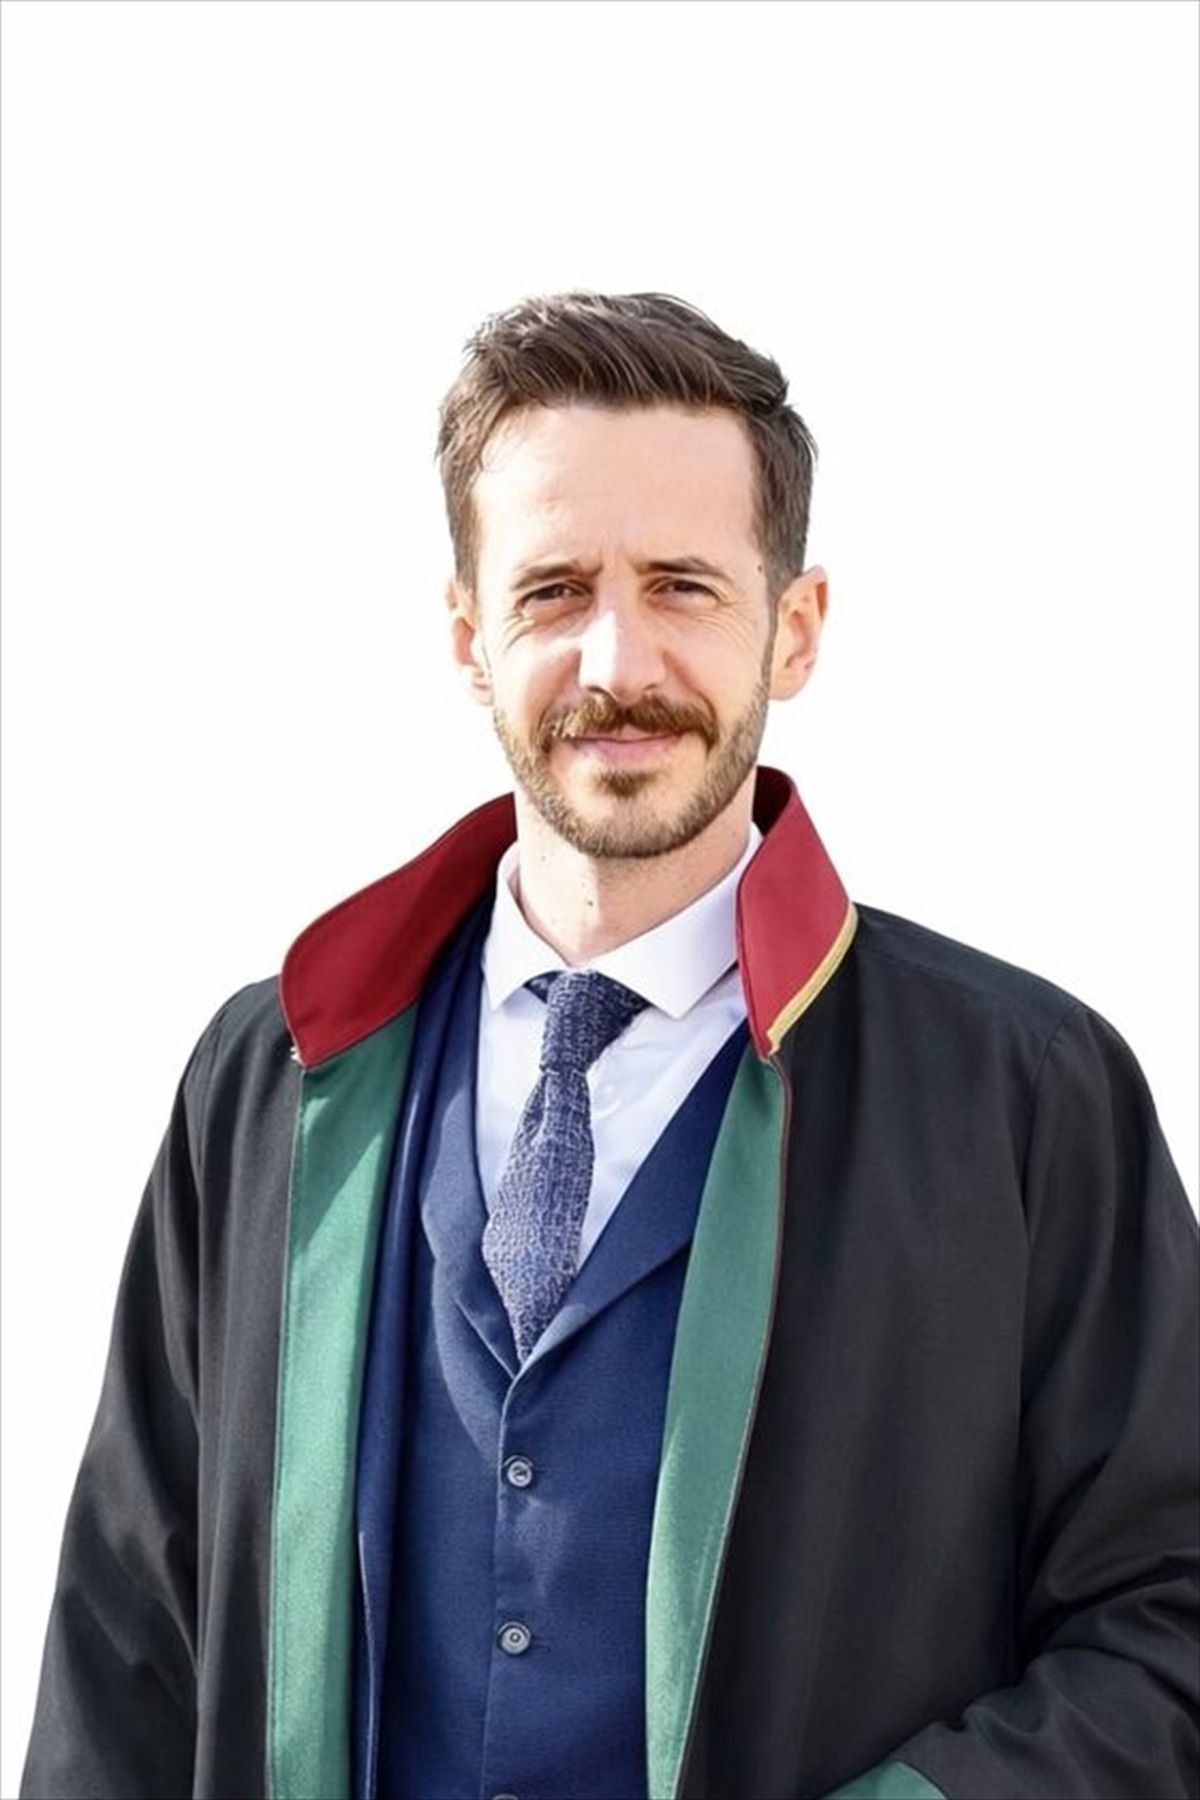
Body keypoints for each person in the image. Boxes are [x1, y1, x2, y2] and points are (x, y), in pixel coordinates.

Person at [22, 291, 1198, 1800]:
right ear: (470, 637)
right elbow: (126, 1651)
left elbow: (1166, 1624)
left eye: (683, 587)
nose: (614, 661)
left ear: (795, 629)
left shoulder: (1025, 1096)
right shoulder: (268, 1080)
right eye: (555, 589)